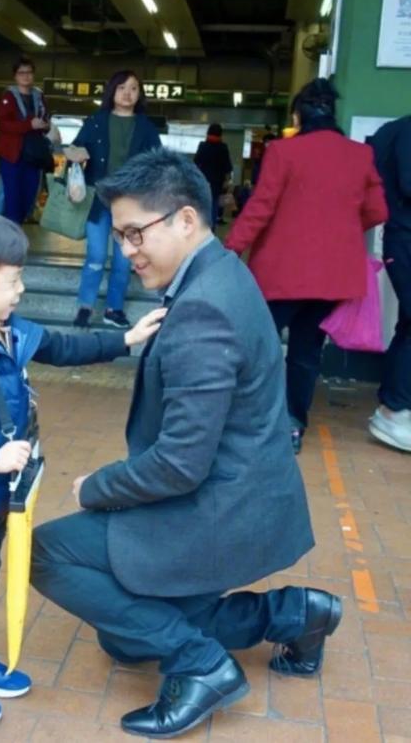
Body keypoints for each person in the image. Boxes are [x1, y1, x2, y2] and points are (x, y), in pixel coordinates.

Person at [31, 148, 340, 740]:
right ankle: (296, 614)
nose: (126, 250)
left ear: (186, 220)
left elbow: (178, 465)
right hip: (243, 491)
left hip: (218, 508)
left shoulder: (204, 310)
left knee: (48, 554)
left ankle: (200, 668)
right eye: (119, 236)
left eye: (134, 233)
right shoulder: (221, 271)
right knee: (123, 634)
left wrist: (98, 488)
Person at [0, 210, 165, 739]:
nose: (22, 290)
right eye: (14, 281)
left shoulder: (6, 328)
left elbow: (63, 347)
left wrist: (126, 341)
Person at [226, 79, 388, 453]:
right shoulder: (359, 155)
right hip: (332, 278)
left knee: (258, 346)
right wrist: (343, 231)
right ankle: (292, 424)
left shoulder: (283, 152)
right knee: (305, 352)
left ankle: (245, 419)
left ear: (298, 115)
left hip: (280, 274)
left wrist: (231, 248)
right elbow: (378, 210)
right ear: (332, 113)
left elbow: (261, 207)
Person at [66, 70, 161, 329]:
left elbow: (158, 163)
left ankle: (113, 309)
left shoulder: (146, 128)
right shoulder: (96, 121)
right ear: (112, 91)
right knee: (95, 256)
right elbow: (75, 149)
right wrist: (74, 155)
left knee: (123, 260)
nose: (127, 93)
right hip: (98, 202)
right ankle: (85, 306)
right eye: (121, 88)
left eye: (133, 88)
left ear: (139, 94)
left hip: (130, 206)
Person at [367, 116, 411, 452]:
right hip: (405, 238)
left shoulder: (392, 131)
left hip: (400, 236)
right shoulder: (404, 132)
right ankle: (392, 410)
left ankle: (394, 406)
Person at [0, 55, 49, 224]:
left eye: (29, 72)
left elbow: (46, 117)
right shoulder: (8, 97)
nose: (26, 76)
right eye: (21, 73)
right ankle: (8, 233)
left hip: (33, 155)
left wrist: (45, 125)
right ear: (15, 76)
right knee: (12, 197)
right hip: (12, 155)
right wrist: (29, 125)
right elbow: (4, 125)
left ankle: (17, 228)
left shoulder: (39, 96)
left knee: (29, 196)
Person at [193, 123, 232, 227]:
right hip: (216, 184)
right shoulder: (223, 148)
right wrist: (227, 181)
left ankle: (200, 228)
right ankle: (211, 231)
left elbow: (195, 164)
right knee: (213, 207)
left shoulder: (203, 146)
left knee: (201, 206)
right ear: (220, 135)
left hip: (202, 183)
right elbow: (227, 168)